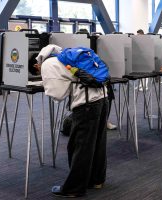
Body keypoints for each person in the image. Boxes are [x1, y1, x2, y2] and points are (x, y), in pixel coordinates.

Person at [36, 44, 109, 197]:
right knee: (97, 143)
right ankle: (96, 180)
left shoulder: (49, 64)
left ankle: (74, 188)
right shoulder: (72, 56)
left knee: (79, 146)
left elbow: (57, 94)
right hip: (103, 100)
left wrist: (46, 81)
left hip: (86, 105)